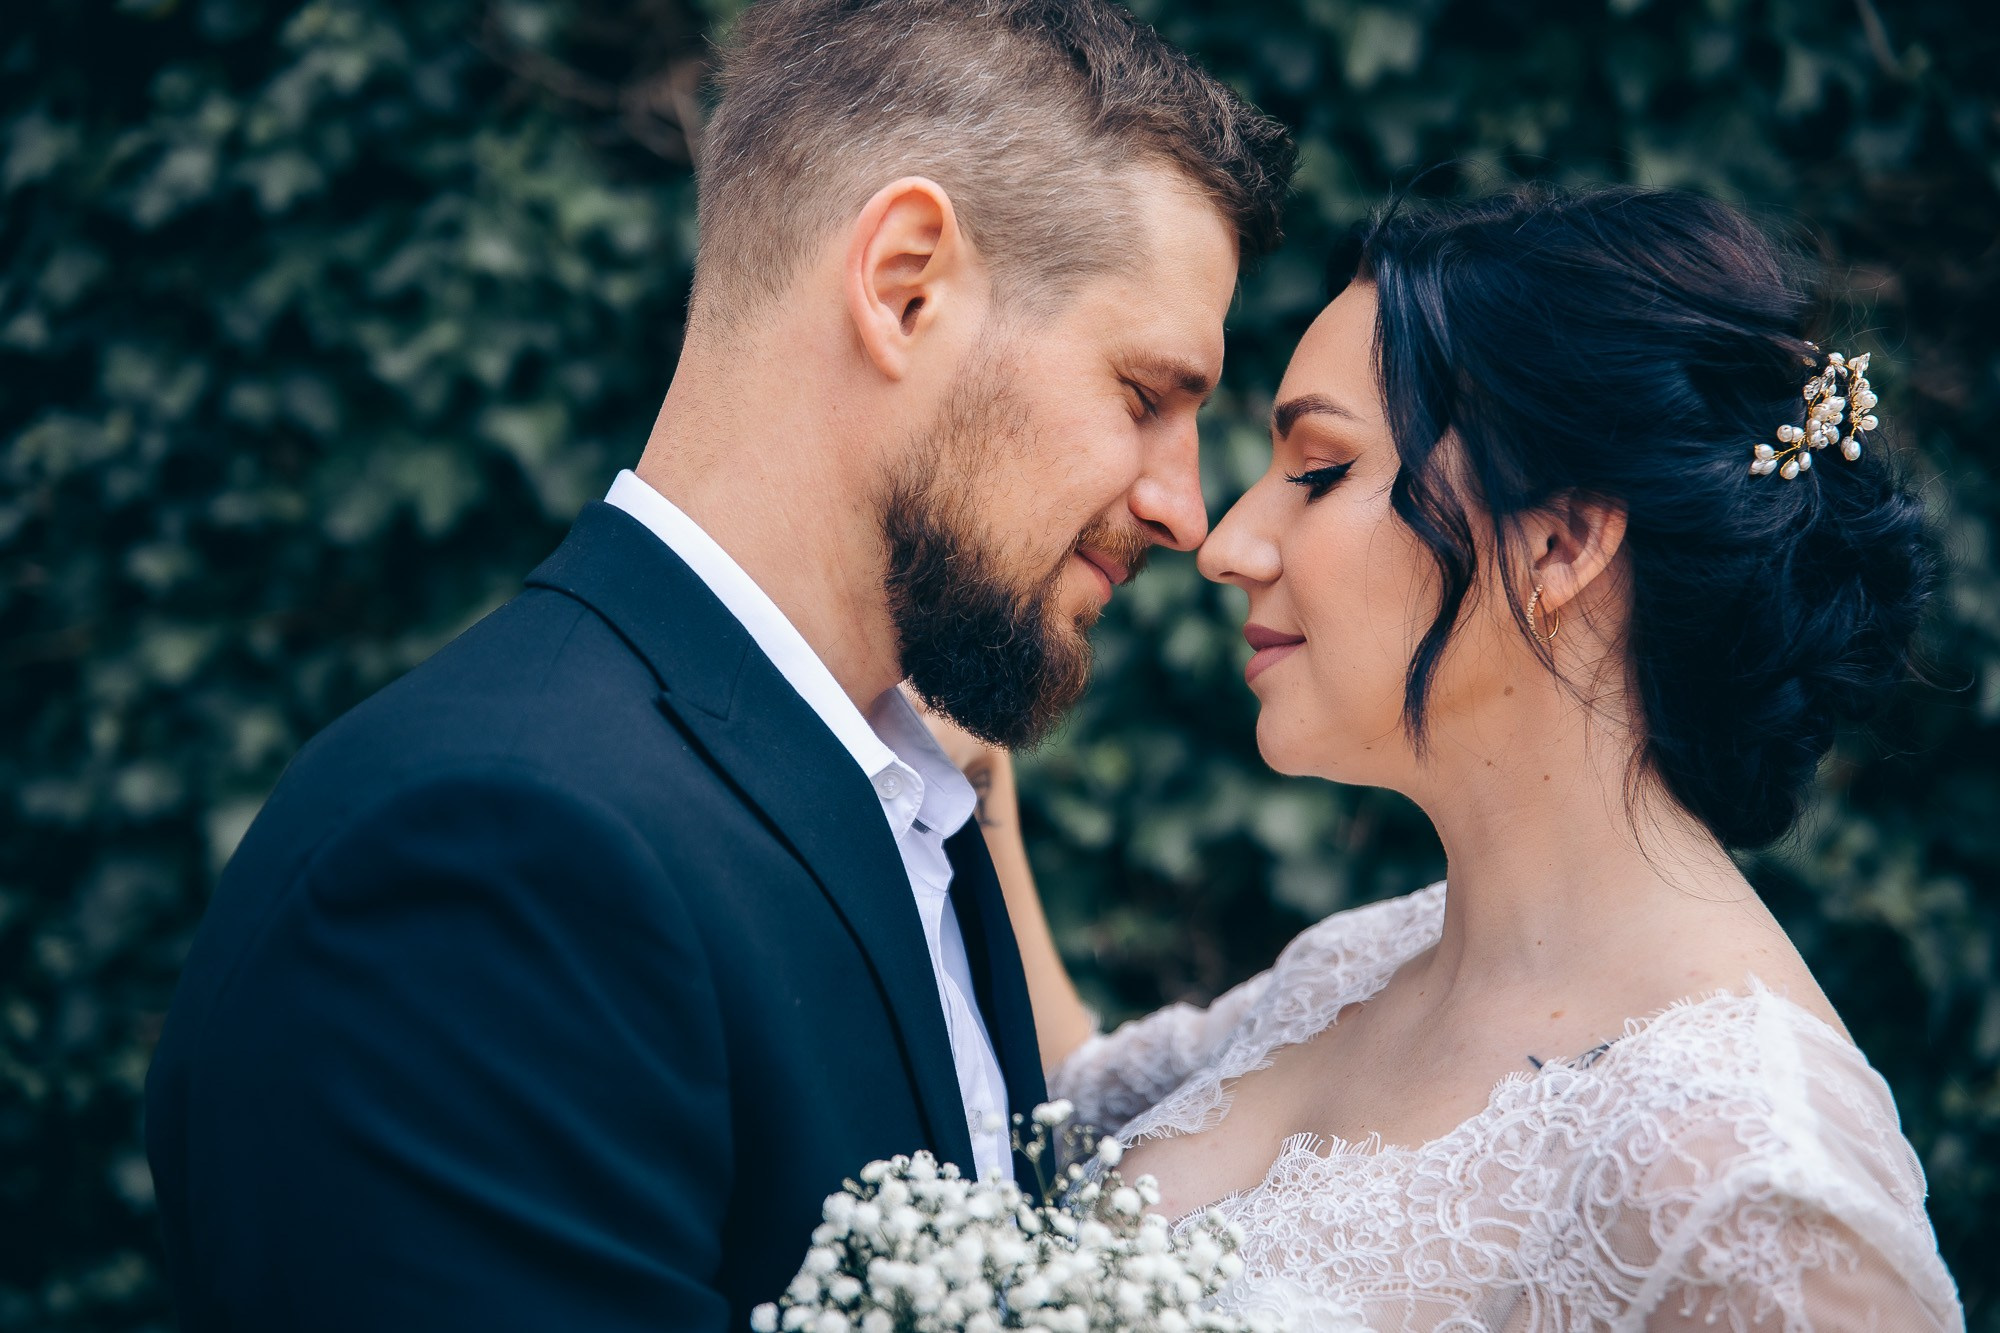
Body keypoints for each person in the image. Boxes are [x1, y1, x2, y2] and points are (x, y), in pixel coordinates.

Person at [141, 1, 1293, 1328]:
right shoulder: (491, 862)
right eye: (1143, 395)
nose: (1184, 511)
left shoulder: (908, 807)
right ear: (905, 285)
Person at [938, 185, 1967, 1330]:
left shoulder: (1752, 1185)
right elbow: (1058, 1109)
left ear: (1558, 541)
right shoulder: (1359, 964)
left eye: (1319, 471)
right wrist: (969, 770)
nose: (1226, 544)